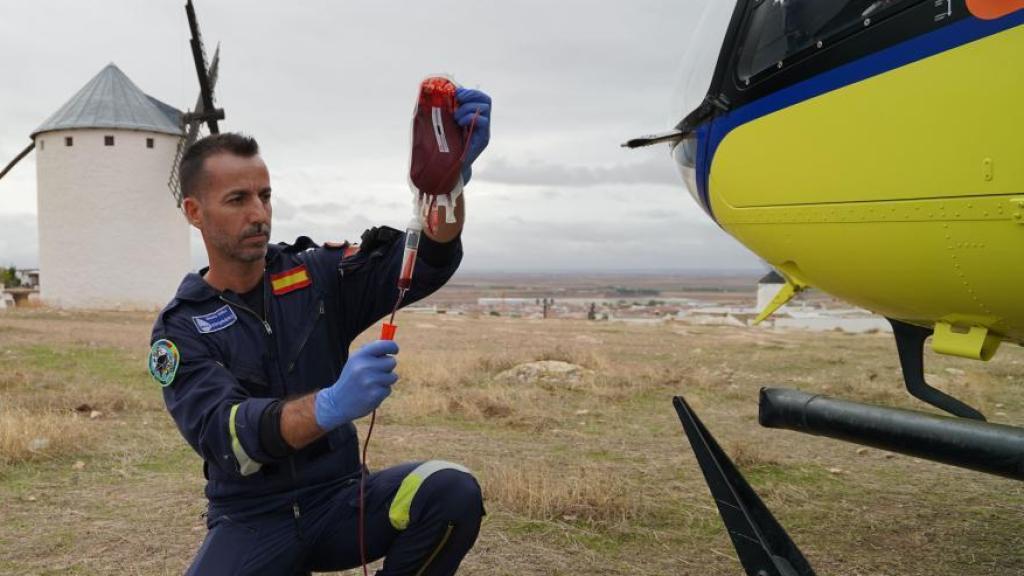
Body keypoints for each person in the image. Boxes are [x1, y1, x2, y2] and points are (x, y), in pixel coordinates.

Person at [148, 88, 491, 575]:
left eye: (265, 196)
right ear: (194, 211)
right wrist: (329, 405)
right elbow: (229, 438)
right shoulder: (181, 326)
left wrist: (446, 188)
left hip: (341, 503)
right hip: (253, 520)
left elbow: (424, 261)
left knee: (450, 488)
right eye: (238, 199)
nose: (259, 214)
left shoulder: (315, 275)